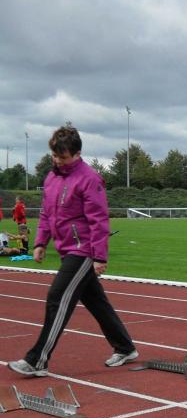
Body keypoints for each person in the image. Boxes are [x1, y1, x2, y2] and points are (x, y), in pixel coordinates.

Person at [7, 125, 138, 378]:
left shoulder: (89, 179)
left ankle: (37, 360)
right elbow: (46, 213)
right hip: (66, 248)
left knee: (57, 297)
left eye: (63, 157)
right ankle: (125, 347)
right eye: (54, 155)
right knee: (95, 301)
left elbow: (99, 220)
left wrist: (99, 256)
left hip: (83, 249)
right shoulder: (51, 178)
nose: (58, 161)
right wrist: (40, 242)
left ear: (77, 154)